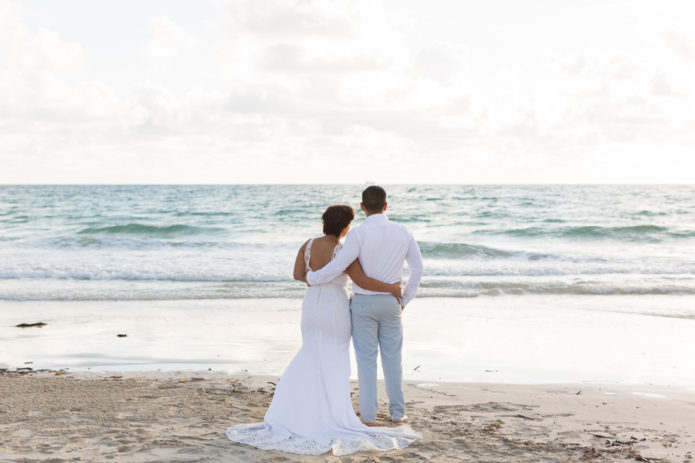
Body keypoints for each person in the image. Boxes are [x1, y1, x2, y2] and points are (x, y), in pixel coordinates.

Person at [226, 204, 420, 456]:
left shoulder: (307, 244)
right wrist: (393, 289)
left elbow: (298, 274)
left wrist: (315, 280)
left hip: (311, 304)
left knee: (311, 352)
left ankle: (299, 409)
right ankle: (329, 412)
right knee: (335, 357)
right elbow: (360, 280)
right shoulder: (342, 249)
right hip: (334, 307)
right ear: (345, 226)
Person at [306, 186, 424, 426]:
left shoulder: (358, 234)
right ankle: (397, 413)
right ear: (386, 205)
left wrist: (313, 278)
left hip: (363, 305)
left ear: (362, 207)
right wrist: (404, 299)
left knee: (366, 360)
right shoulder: (403, 232)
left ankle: (368, 417)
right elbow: (417, 269)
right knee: (393, 358)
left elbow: (339, 264)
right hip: (391, 303)